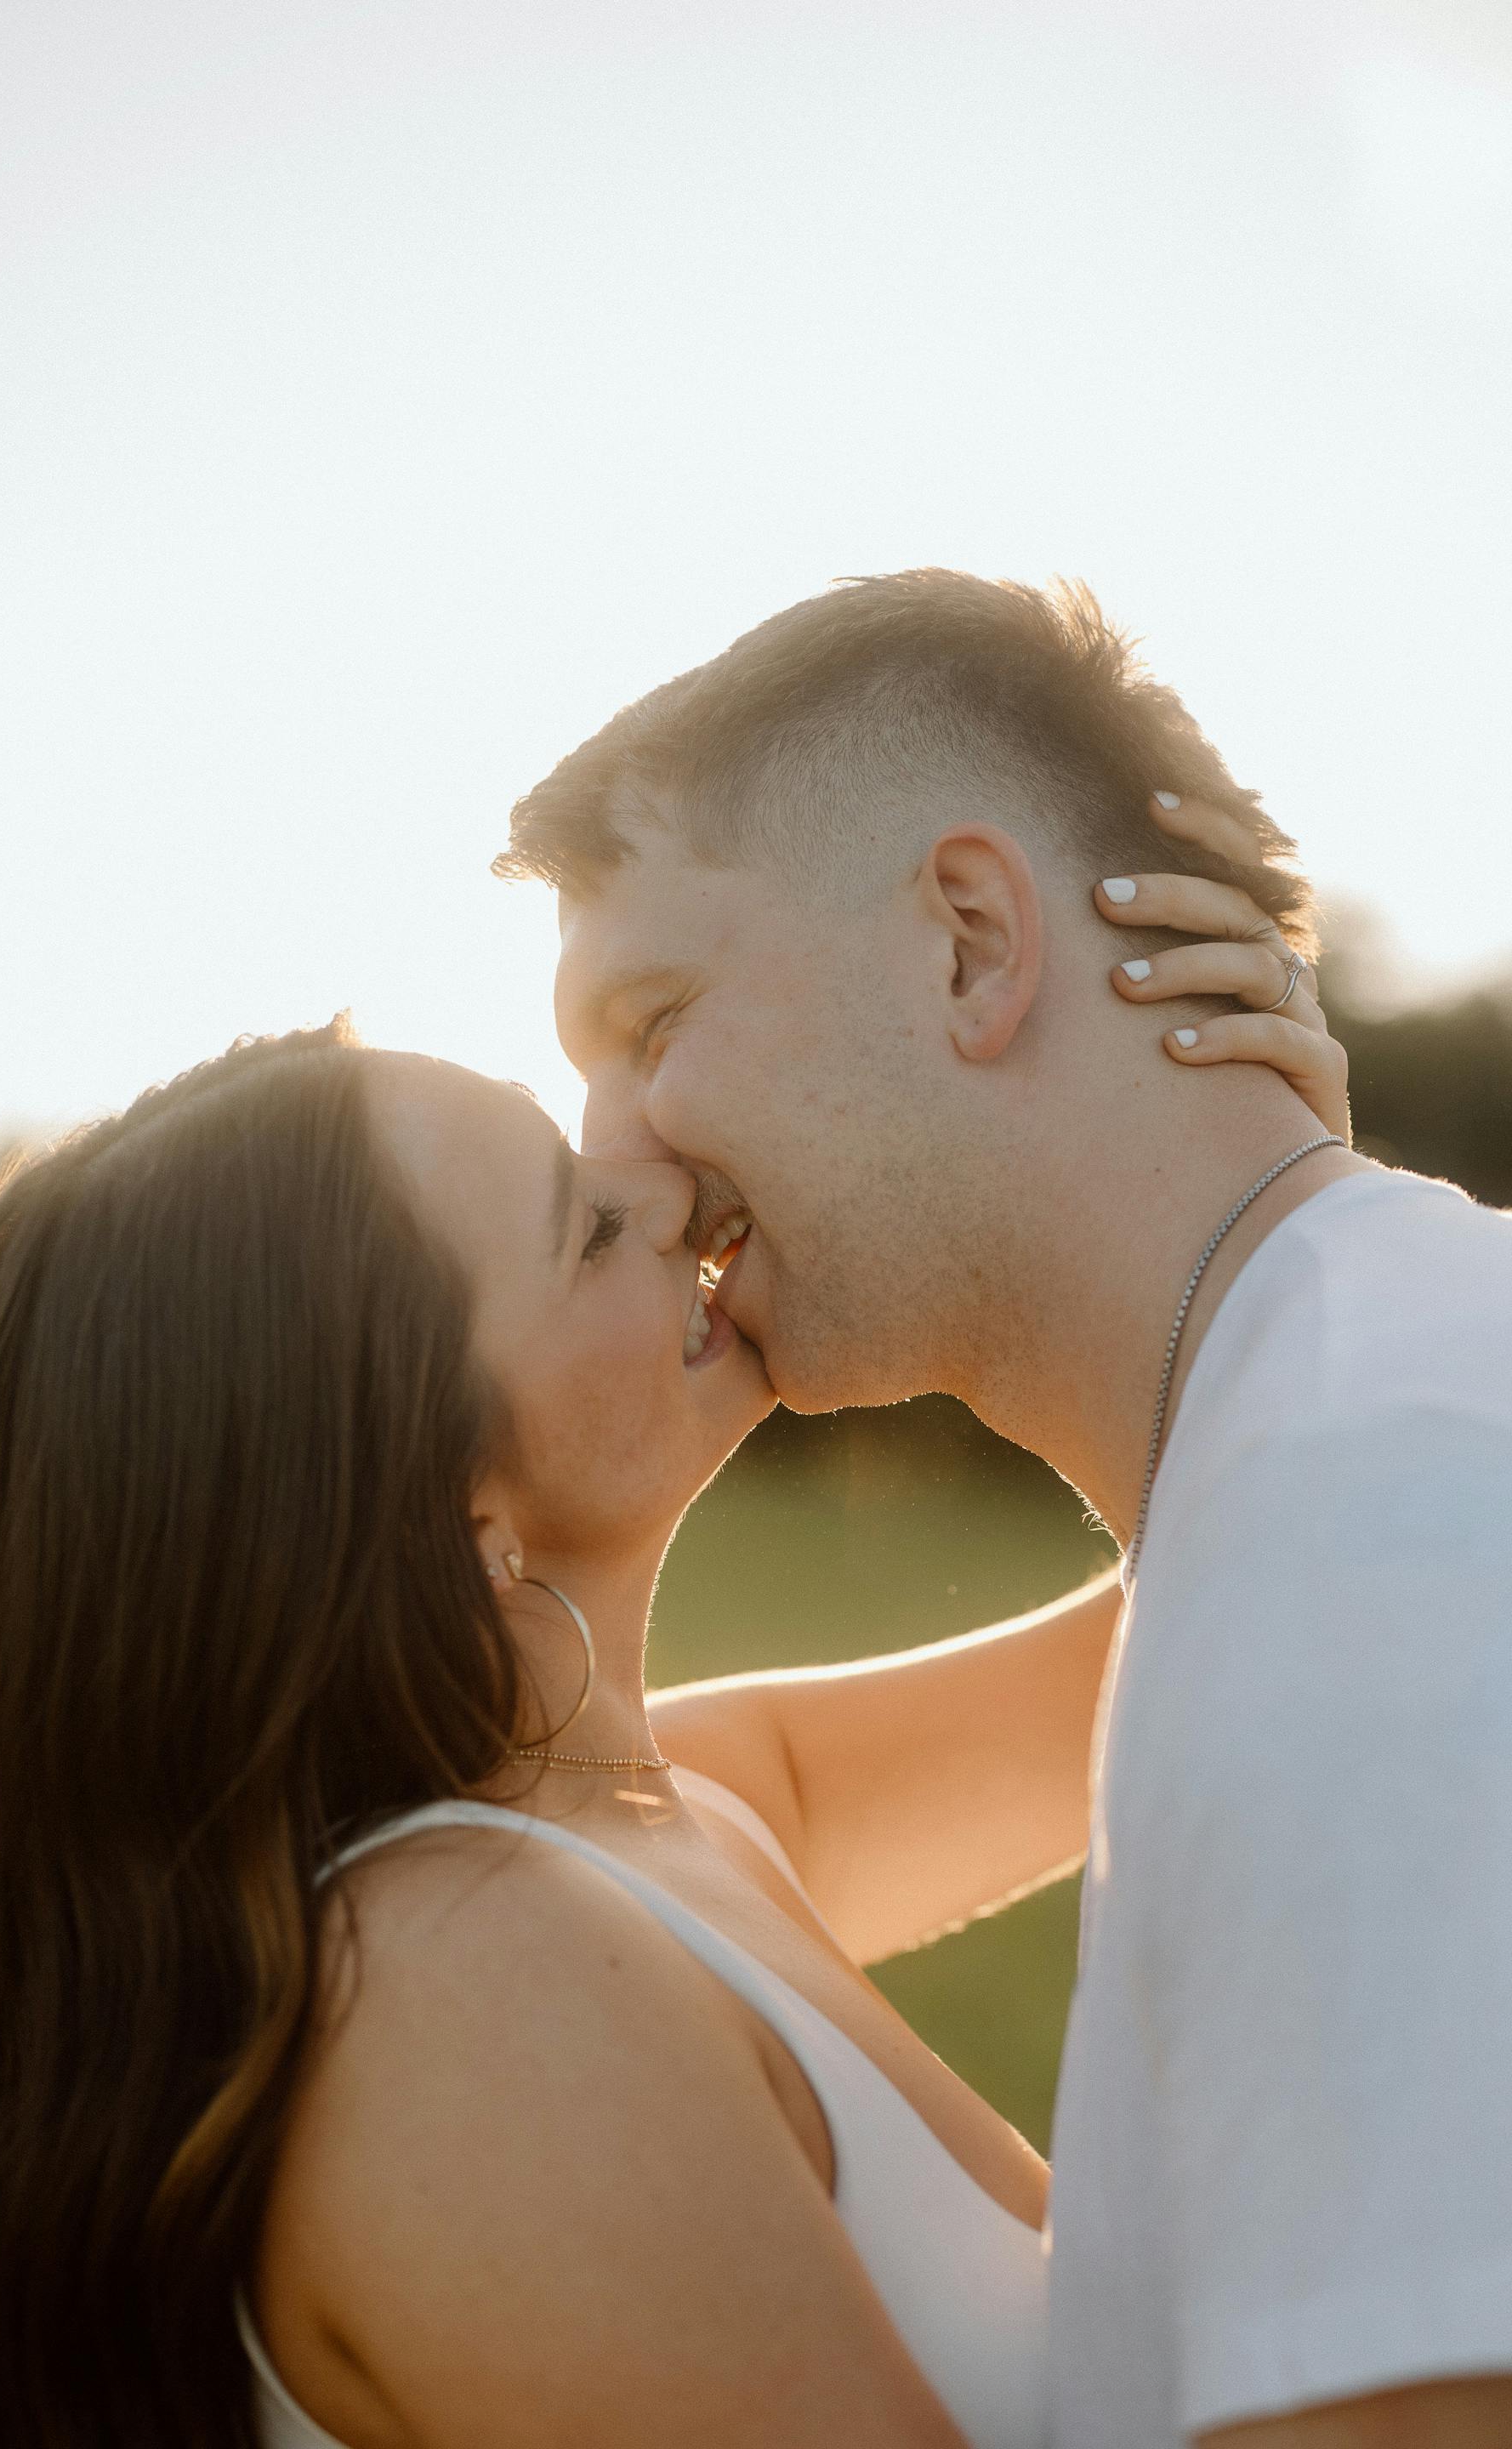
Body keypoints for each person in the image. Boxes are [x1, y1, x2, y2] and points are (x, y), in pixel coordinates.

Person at [0, 871, 1337, 2449]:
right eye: (584, 1225)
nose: (669, 1188)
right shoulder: (458, 1985)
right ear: (452, 1513)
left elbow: (1251, 1579)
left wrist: (1264, 1196)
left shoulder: (671, 1812)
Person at [498, 570, 1512, 2449]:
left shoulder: (1362, 1519)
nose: (618, 1150)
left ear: (970, 941)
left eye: (650, 1018)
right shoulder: (1327, 1462)